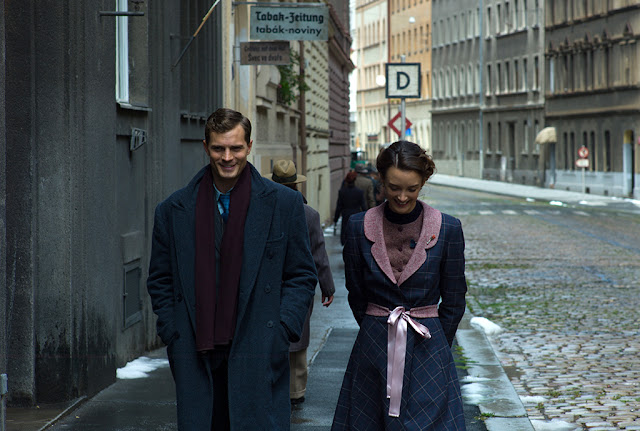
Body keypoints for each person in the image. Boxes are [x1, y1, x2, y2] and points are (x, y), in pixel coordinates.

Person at [147, 108, 318, 430]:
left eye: (236, 148)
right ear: (206, 147)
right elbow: (160, 279)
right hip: (196, 350)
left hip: (260, 346)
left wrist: (281, 329)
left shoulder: (284, 204)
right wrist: (173, 332)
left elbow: (301, 274)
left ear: (249, 146)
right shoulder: (172, 210)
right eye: (219, 148)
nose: (227, 157)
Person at [332, 140, 467, 430]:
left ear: (423, 183)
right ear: (381, 179)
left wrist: (436, 343)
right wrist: (376, 327)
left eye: (412, 188)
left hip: (429, 348)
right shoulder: (358, 226)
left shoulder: (448, 228)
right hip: (373, 349)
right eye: (394, 187)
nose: (402, 197)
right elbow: (356, 291)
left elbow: (455, 298)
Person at [265, 159, 336, 405]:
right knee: (297, 337)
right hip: (298, 286)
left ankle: (270, 385)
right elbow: (318, 255)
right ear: (297, 184)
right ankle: (295, 391)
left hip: (267, 286)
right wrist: (327, 287)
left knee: (268, 336)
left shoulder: (263, 210)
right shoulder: (309, 215)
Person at [333, 171, 367, 246]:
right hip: (356, 215)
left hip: (346, 215)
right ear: (355, 180)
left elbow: (339, 206)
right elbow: (363, 206)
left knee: (345, 234)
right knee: (355, 234)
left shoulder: (342, 192)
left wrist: (336, 218)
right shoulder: (359, 192)